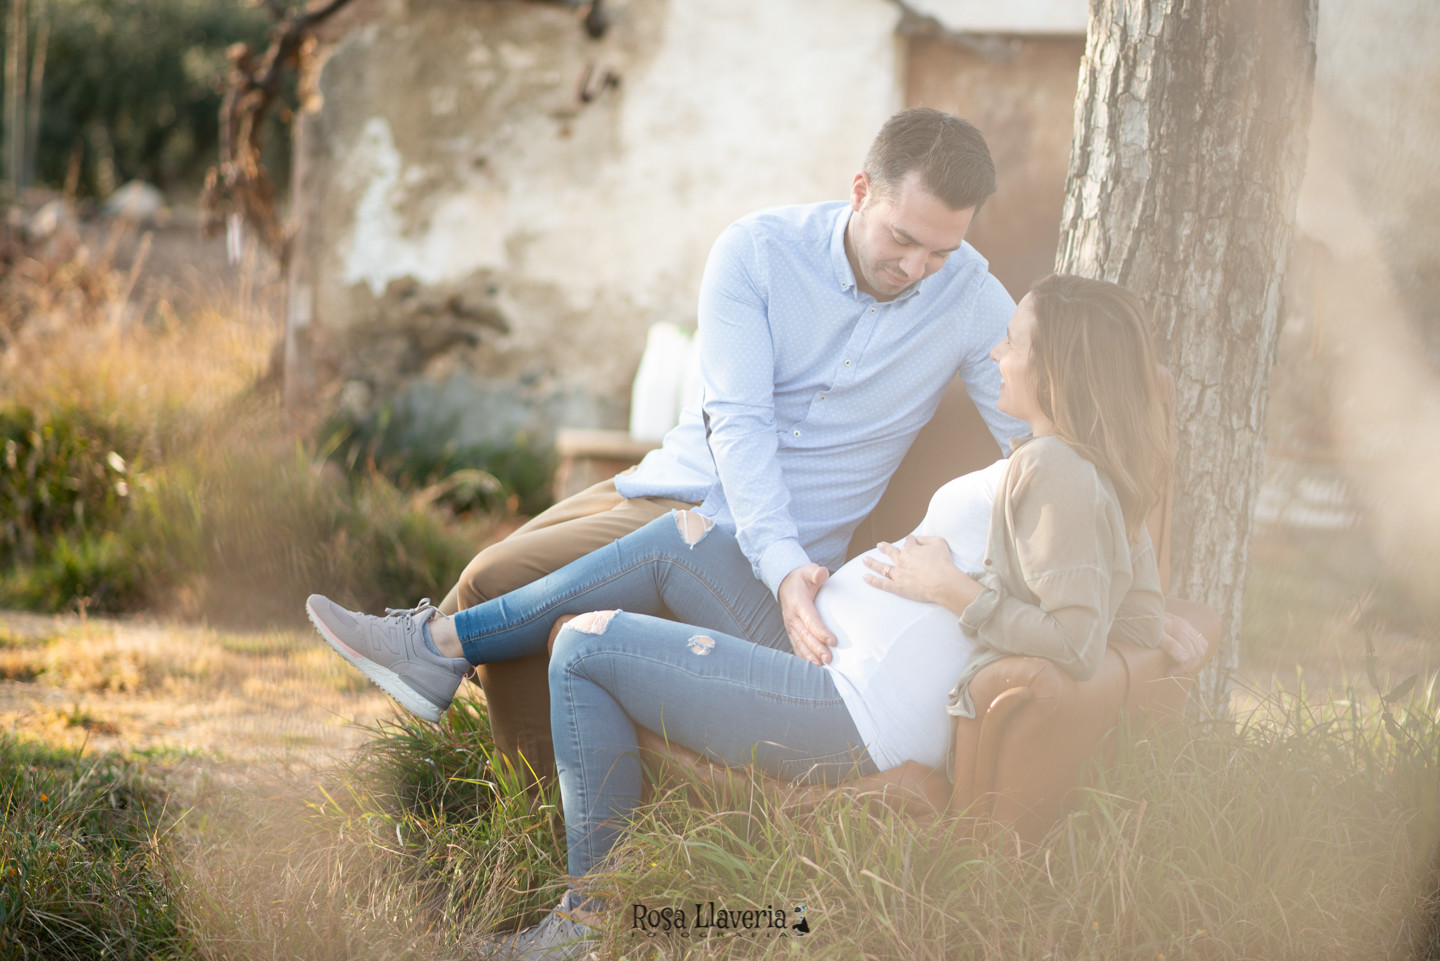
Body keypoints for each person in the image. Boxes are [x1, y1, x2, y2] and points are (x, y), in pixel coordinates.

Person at [306, 274, 1209, 961]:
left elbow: (1076, 642)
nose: (1001, 354)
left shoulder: (1055, 468)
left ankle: (586, 920)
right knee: (682, 533)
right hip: (828, 648)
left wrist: (949, 590)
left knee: (584, 645)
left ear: (1057, 368)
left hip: (845, 707)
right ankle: (440, 646)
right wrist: (1162, 635)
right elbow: (1122, 620)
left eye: (1015, 342)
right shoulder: (1075, 469)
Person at [430, 108, 1027, 779]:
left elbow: (1043, 444)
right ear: (861, 190)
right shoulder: (760, 250)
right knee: (483, 583)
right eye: (902, 239)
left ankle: (530, 802)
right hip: (673, 488)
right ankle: (524, 785)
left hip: (772, 563)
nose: (918, 266)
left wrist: (1137, 597)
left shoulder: (971, 296)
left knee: (494, 584)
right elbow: (739, 426)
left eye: (941, 251)